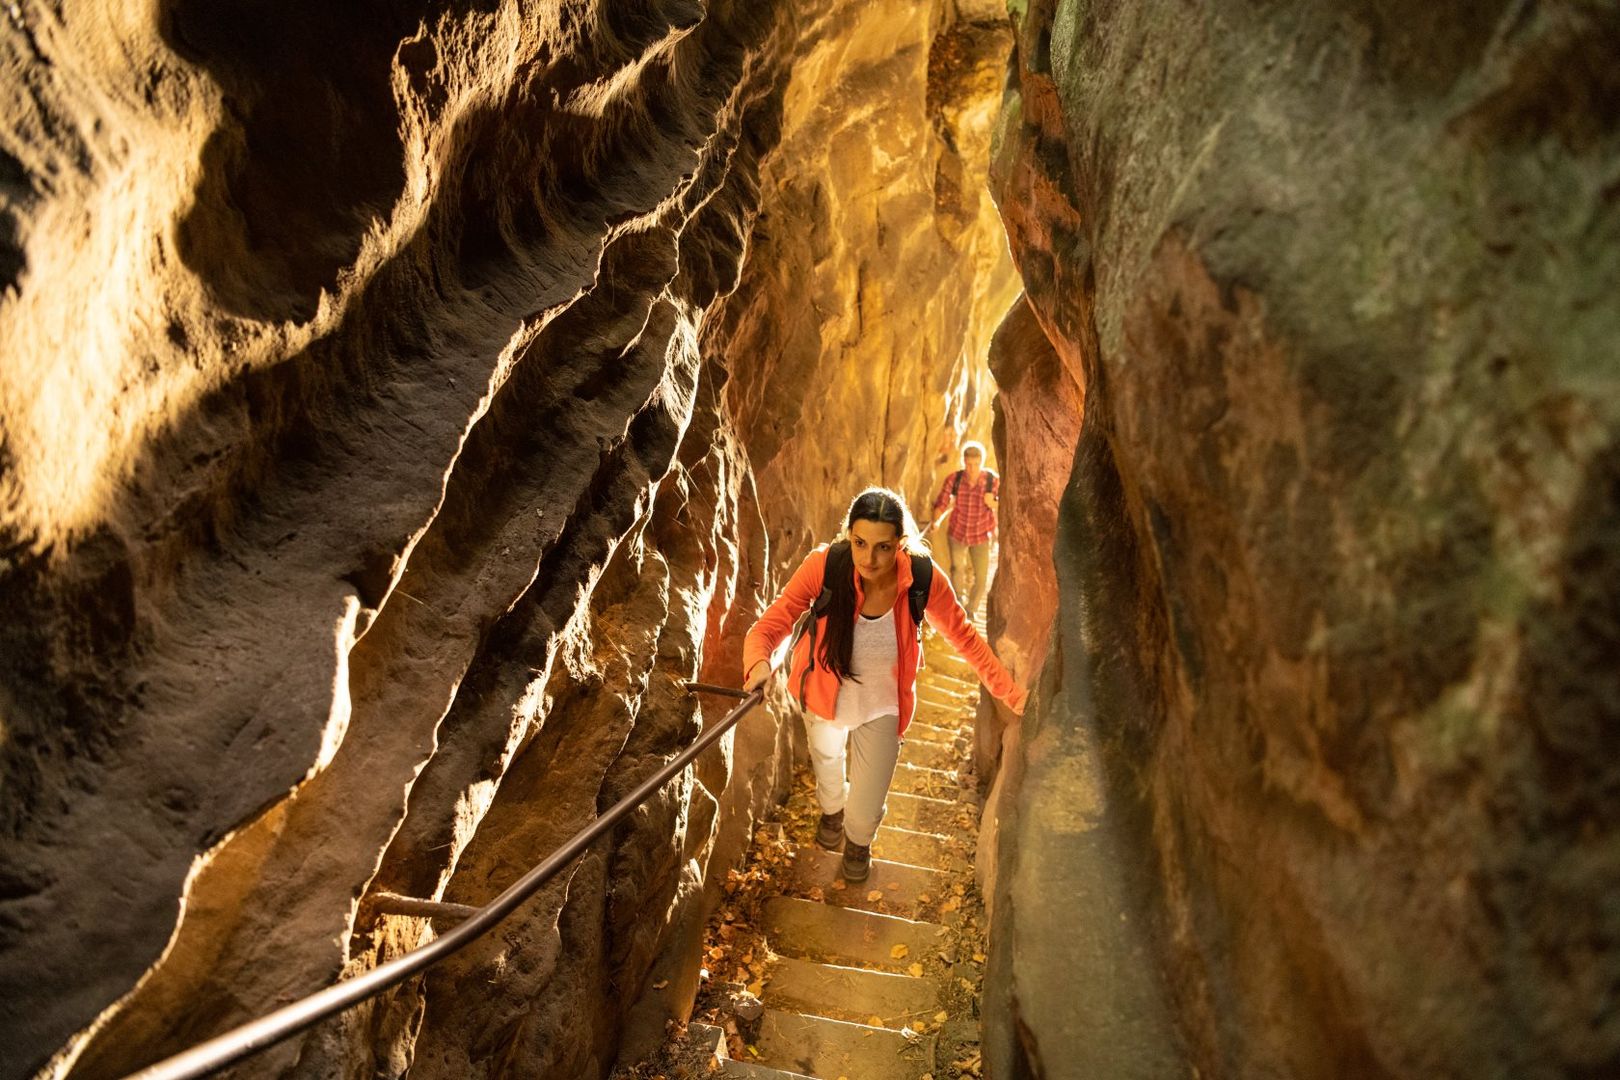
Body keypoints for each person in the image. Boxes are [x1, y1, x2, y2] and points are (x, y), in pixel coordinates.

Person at [742, 487, 1026, 882]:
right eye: (859, 543)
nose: (868, 559)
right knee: (828, 771)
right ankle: (831, 813)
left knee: (864, 812)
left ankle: (858, 843)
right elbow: (772, 624)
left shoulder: (922, 578)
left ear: (901, 543)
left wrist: (1013, 695)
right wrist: (758, 664)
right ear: (849, 535)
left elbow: (965, 638)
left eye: (883, 548)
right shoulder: (825, 565)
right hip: (823, 696)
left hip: (883, 706)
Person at [929, 440, 999, 618]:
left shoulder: (991, 480)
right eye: (968, 464)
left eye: (976, 464)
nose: (972, 468)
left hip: (981, 534)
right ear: (963, 462)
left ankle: (972, 609)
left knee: (981, 577)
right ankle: (960, 606)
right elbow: (942, 502)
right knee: (957, 569)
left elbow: (1004, 503)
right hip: (958, 532)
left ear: (981, 462)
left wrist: (993, 503)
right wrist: (935, 521)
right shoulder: (955, 479)